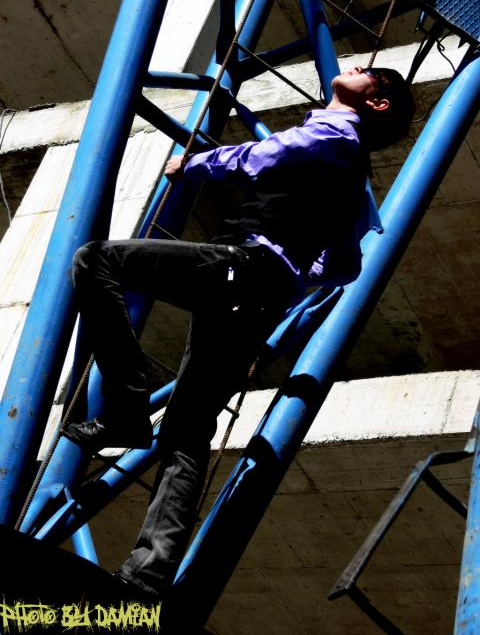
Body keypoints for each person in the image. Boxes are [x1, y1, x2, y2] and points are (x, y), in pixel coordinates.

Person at [64, 66, 414, 602]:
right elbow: (345, 266)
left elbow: (263, 156)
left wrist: (193, 165)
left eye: (366, 72)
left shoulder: (335, 133)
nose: (353, 68)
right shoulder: (353, 174)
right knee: (187, 432)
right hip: (255, 291)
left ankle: (127, 407)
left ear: (379, 103)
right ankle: (146, 576)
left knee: (97, 260)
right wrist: (290, 278)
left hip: (244, 266)